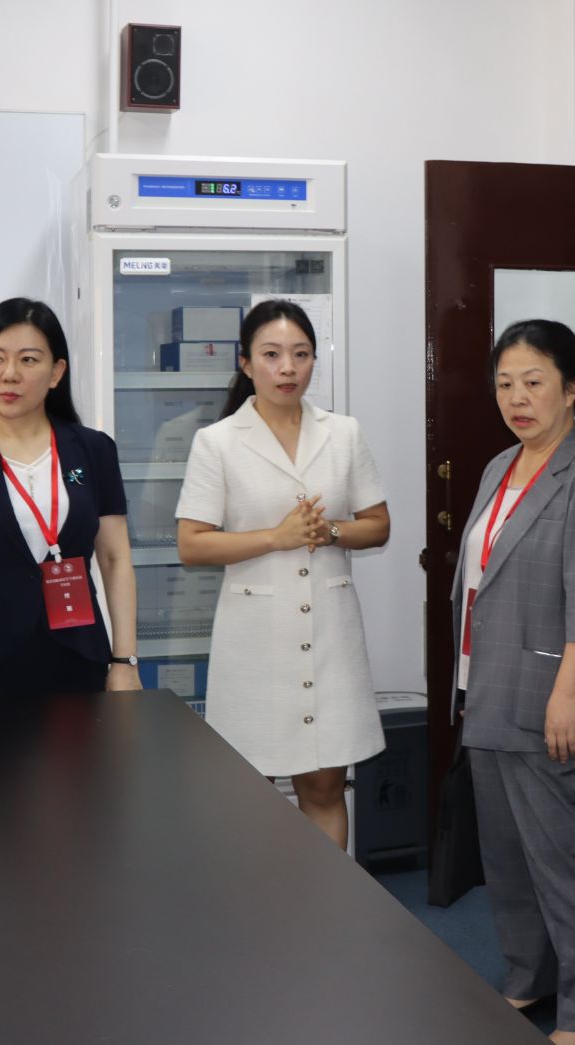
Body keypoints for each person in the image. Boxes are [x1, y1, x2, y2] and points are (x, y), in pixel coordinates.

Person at [455, 320, 575, 1045]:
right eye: (505, 384)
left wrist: (566, 694)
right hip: (490, 692)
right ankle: (530, 978)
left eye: (533, 382)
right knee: (508, 862)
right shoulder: (501, 465)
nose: (517, 398)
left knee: (562, 866)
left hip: (552, 702)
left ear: (571, 389)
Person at [175, 300, 392, 848]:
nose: (287, 368)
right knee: (250, 795)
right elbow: (192, 544)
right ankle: (263, 903)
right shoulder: (217, 441)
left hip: (330, 633)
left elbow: (378, 526)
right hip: (254, 641)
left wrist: (330, 531)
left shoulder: (343, 433)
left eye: (301, 354)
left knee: (324, 789)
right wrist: (277, 537)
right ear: (245, 363)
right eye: (271, 355)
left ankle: (329, 900)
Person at [0, 298, 141, 700]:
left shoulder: (93, 451)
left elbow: (115, 559)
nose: (9, 374)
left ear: (56, 372)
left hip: (76, 660)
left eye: (29, 360)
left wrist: (125, 661)